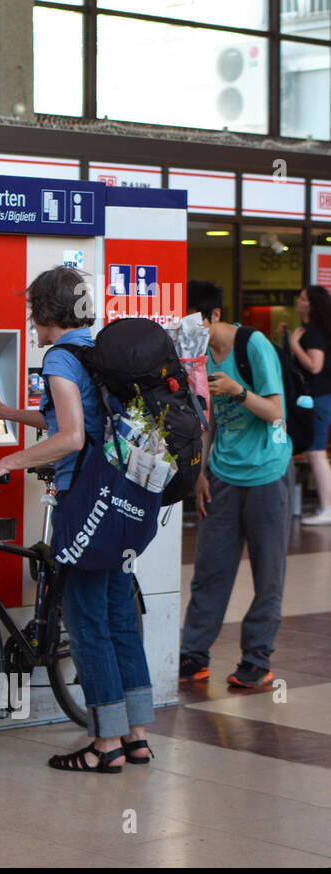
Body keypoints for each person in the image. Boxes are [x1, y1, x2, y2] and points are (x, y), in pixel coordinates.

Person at [0, 265, 151, 773]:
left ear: (46, 311)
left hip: (85, 500)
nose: (31, 322)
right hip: (119, 498)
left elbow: (71, 437)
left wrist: (5, 461)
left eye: (33, 311)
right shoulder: (93, 351)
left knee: (86, 619)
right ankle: (135, 736)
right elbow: (76, 422)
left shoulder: (58, 357)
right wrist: (10, 413)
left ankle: (104, 746)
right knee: (118, 618)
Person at [179, 279, 291, 689]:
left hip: (267, 472)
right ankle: (193, 654)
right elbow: (205, 420)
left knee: (269, 572)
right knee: (210, 569)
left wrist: (237, 390)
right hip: (223, 475)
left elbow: (276, 412)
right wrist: (201, 473)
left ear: (214, 316)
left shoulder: (253, 345)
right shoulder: (198, 355)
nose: (189, 331)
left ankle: (257, 658)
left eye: (195, 322)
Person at [285, 285, 331, 524]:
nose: (298, 301)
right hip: (316, 399)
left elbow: (315, 366)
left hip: (318, 399)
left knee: (316, 452)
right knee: (315, 452)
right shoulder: (313, 330)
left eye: (302, 298)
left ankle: (327, 506)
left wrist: (293, 344)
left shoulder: (313, 332)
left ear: (311, 304)